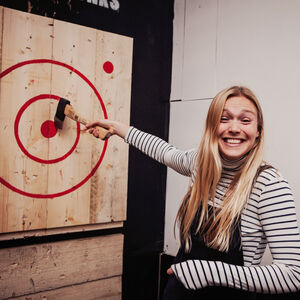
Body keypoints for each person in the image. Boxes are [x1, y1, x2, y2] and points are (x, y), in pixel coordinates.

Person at [86, 86, 300, 299]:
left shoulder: (269, 185)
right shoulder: (201, 162)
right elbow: (165, 152)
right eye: (224, 119)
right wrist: (118, 128)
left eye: (245, 120)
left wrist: (207, 273)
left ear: (258, 131)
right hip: (180, 291)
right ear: (211, 126)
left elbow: (293, 275)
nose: (234, 128)